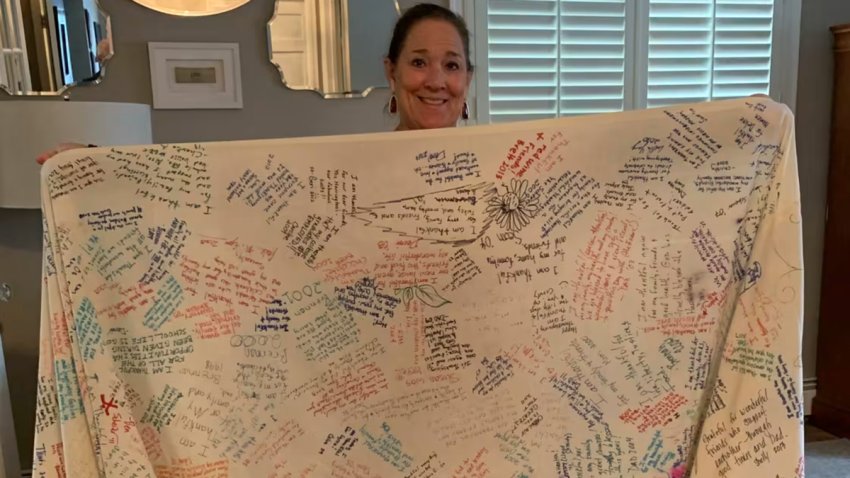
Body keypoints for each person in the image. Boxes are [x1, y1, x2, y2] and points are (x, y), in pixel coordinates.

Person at [36, 3, 473, 164]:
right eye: (419, 62)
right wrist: (92, 168)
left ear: (468, 79)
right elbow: (219, 189)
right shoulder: (346, 170)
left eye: (452, 66)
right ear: (390, 72)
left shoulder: (509, 170)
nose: (436, 80)